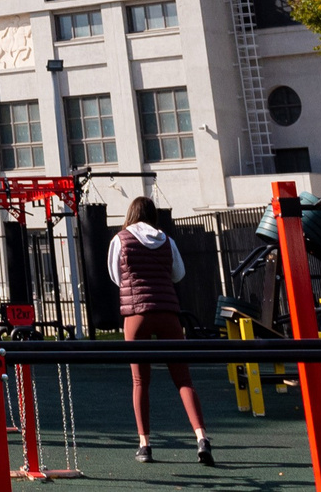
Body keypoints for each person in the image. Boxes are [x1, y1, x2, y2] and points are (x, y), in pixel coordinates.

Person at [111, 197, 212, 465]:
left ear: (131, 214)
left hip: (137, 315)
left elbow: (115, 275)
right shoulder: (167, 240)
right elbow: (178, 273)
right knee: (183, 378)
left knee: (140, 381)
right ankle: (202, 437)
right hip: (168, 312)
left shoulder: (121, 239)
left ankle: (145, 444)